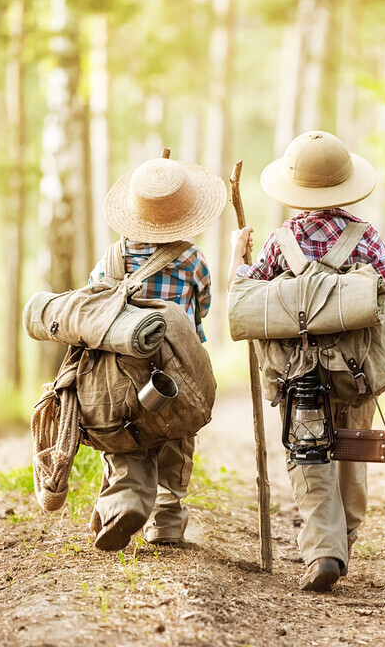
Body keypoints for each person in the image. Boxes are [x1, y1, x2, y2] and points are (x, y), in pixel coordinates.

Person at [229, 130, 385, 592]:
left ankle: (324, 551)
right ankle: (344, 536)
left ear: (296, 190)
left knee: (308, 458)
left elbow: (247, 301)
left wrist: (238, 256)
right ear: (345, 184)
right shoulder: (365, 237)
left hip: (299, 375)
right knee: (352, 454)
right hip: (358, 373)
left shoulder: (279, 242)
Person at [88, 156, 226, 550]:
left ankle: (126, 500)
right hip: (173, 369)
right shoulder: (192, 261)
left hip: (118, 369)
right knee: (176, 435)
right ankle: (167, 518)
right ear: (185, 213)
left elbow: (95, 304)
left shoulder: (111, 259)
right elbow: (201, 312)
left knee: (123, 434)